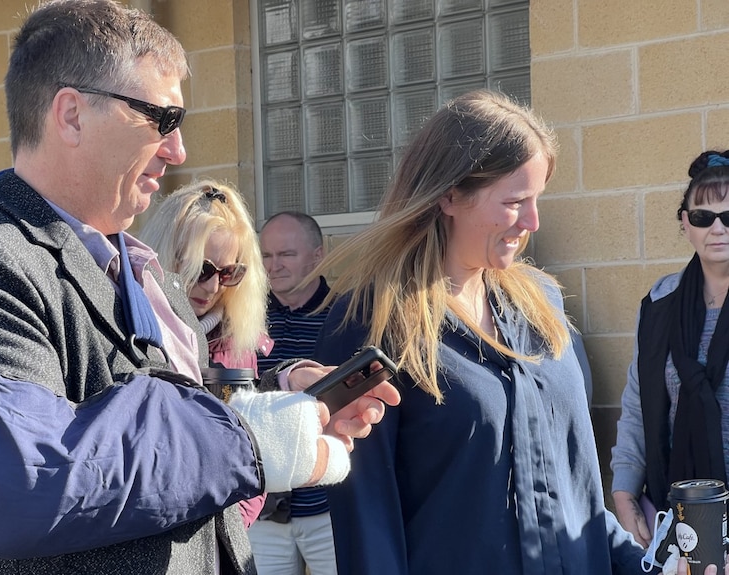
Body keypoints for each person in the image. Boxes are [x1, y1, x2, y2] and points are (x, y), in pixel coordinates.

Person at [0, 2, 399, 574]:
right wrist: (250, 437)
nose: (178, 151)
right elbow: (19, 480)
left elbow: (162, 403)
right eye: (161, 119)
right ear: (72, 115)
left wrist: (277, 393)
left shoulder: (147, 273)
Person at [310, 89, 649, 574]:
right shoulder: (370, 321)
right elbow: (366, 519)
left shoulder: (543, 305)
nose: (531, 222)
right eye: (514, 202)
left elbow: (578, 492)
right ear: (449, 194)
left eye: (537, 200)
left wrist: (644, 565)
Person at [611, 150, 729, 549]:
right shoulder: (660, 304)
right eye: (703, 217)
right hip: (679, 516)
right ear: (685, 223)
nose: (718, 228)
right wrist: (624, 489)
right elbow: (637, 405)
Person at [139, 179, 272, 527]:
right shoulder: (129, 322)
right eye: (202, 270)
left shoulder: (237, 342)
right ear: (166, 258)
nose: (213, 287)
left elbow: (253, 451)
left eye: (229, 273)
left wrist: (226, 532)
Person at [251, 211, 336, 575]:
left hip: (329, 502)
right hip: (262, 505)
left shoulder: (347, 315)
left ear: (317, 256)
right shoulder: (244, 317)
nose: (274, 266)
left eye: (285, 255)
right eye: (266, 256)